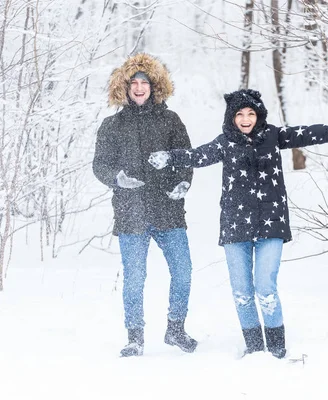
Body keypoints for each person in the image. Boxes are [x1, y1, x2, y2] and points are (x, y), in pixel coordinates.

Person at [148, 89, 328, 358]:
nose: (245, 119)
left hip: (271, 223)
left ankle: (276, 349)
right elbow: (198, 155)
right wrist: (170, 157)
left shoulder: (273, 136)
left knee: (265, 288)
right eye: (240, 114)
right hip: (235, 225)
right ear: (232, 118)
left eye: (251, 113)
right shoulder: (225, 143)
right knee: (242, 292)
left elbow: (312, 133)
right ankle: (255, 350)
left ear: (259, 115)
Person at [92, 53, 197, 357]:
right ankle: (134, 337)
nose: (139, 88)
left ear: (154, 86)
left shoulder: (171, 120)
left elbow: (185, 158)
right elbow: (100, 165)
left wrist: (182, 183)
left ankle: (175, 329)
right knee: (135, 278)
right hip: (131, 213)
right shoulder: (112, 125)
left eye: (145, 83)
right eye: (134, 82)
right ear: (124, 87)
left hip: (168, 210)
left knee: (184, 271)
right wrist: (117, 178)